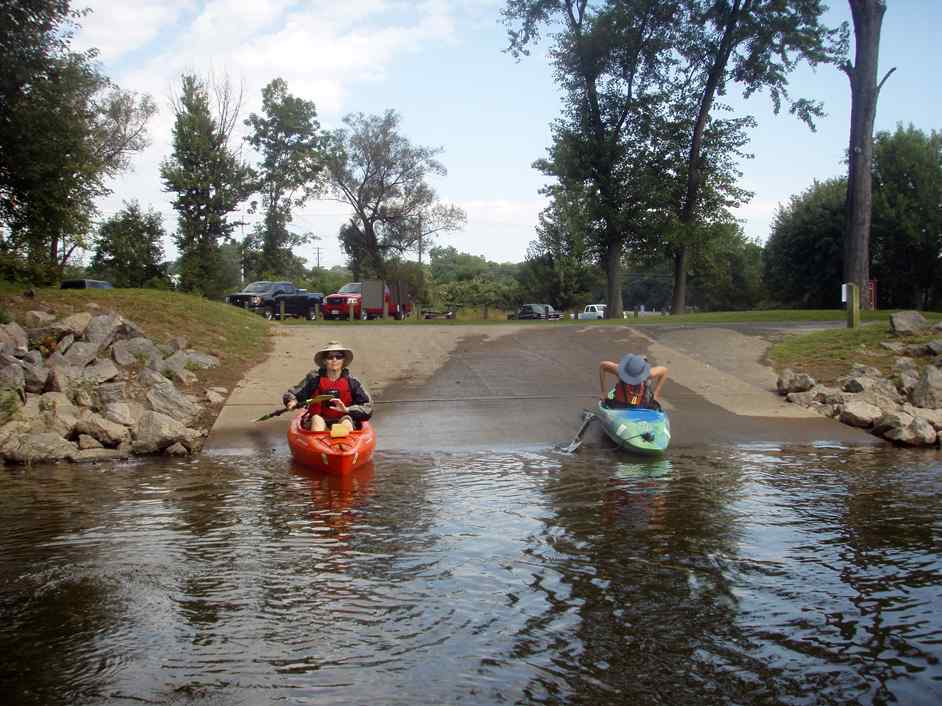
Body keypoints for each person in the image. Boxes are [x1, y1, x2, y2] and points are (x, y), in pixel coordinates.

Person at [283, 340, 373, 433]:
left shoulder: (353, 382)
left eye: (338, 357)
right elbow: (292, 394)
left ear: (343, 360)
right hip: (318, 418)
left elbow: (367, 407)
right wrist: (292, 401)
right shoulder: (314, 379)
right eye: (330, 357)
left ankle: (343, 442)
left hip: (343, 418)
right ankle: (319, 438)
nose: (334, 360)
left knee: (346, 424)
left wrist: (347, 409)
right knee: (317, 422)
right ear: (324, 361)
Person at [599, 353, 668, 410]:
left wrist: (656, 394)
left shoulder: (648, 374)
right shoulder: (619, 370)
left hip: (640, 403)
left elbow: (664, 371)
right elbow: (603, 365)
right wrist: (603, 393)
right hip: (620, 402)